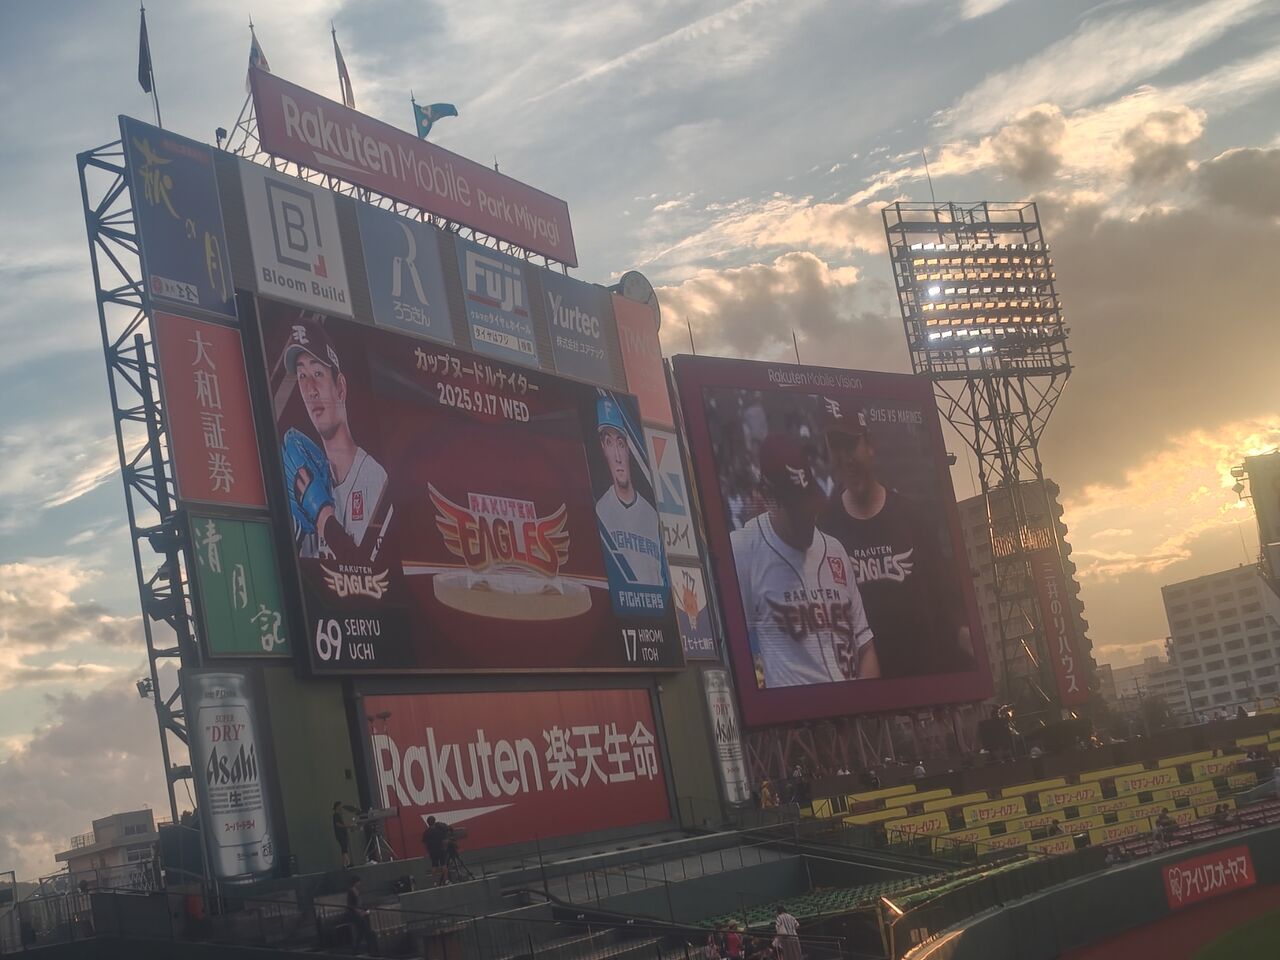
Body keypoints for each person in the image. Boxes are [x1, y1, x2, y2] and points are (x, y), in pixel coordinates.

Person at [818, 408, 974, 678]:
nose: (846, 459)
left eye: (851, 445)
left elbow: (944, 598)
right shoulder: (825, 528)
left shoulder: (911, 516)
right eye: (837, 448)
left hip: (923, 680)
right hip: (863, 688)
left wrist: (963, 637)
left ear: (870, 445)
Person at [729, 434, 878, 688]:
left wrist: (865, 703)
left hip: (854, 704)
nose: (808, 521)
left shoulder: (834, 550)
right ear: (769, 499)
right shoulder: (743, 549)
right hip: (797, 709)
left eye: (810, 508)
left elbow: (866, 648)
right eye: (798, 513)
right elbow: (729, 648)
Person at [280, 317, 393, 565]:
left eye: (318, 373)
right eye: (302, 376)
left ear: (340, 387)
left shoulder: (374, 477)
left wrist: (321, 514)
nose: (311, 390)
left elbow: (371, 574)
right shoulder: (306, 477)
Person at [594, 396, 665, 587]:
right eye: (609, 443)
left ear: (628, 449)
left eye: (621, 444)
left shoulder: (653, 515)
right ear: (603, 448)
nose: (617, 456)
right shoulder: (600, 512)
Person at [345, 875, 378, 956]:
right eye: (359, 882)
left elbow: (357, 904)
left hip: (358, 914)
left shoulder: (355, 890)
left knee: (362, 932)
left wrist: (363, 910)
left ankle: (357, 949)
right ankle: (368, 949)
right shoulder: (351, 891)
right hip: (356, 915)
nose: (360, 883)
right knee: (365, 931)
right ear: (355, 882)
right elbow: (352, 905)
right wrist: (360, 912)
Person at [422, 816, 451, 885]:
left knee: (434, 866)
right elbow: (444, 841)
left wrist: (428, 851)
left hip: (432, 851)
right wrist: (445, 846)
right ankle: (446, 880)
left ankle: (434, 882)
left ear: (428, 823)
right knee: (443, 865)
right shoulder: (439, 830)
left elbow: (425, 843)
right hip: (440, 849)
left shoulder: (426, 832)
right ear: (434, 821)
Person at [332, 801, 352, 868]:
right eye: (340, 806)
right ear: (337, 806)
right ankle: (348, 862)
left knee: (344, 849)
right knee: (344, 848)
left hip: (343, 834)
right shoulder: (336, 815)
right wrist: (346, 826)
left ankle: (344, 864)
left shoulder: (339, 815)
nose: (341, 807)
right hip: (340, 834)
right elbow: (337, 824)